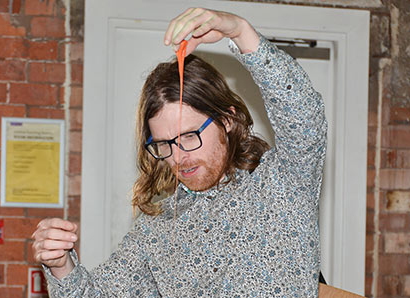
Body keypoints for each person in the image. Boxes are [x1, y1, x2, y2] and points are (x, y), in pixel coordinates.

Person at [32, 7, 327, 297]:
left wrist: (241, 32)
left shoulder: (282, 185)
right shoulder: (157, 227)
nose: (178, 156)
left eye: (189, 136)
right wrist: (60, 264)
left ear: (227, 120)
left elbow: (305, 117)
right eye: (164, 144)